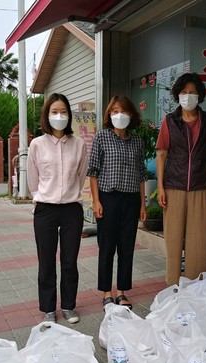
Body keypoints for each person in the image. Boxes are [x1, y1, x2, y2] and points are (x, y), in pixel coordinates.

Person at [27, 93, 89, 326]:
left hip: (72, 209)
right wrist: (41, 197)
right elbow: (33, 180)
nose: (59, 116)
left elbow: (81, 175)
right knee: (46, 261)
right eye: (54, 112)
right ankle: (48, 309)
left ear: (69, 115)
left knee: (69, 260)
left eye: (63, 111)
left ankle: (69, 306)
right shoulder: (37, 144)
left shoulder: (79, 144)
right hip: (45, 209)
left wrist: (70, 193)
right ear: (47, 115)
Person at [155, 72, 206, 286]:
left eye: (192, 92)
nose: (188, 96)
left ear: (199, 95)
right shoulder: (169, 121)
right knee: (173, 238)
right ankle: (173, 284)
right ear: (177, 95)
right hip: (174, 185)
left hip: (202, 185)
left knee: (200, 240)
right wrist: (161, 187)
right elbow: (162, 154)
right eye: (184, 92)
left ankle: (196, 284)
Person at [87, 96, 147, 309]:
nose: (118, 115)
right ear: (108, 115)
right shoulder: (102, 138)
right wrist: (96, 201)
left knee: (126, 247)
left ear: (131, 114)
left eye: (123, 111)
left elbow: (141, 175)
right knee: (106, 247)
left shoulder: (138, 142)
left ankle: (121, 291)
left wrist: (142, 204)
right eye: (114, 111)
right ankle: (106, 292)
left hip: (131, 200)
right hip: (108, 198)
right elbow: (92, 172)